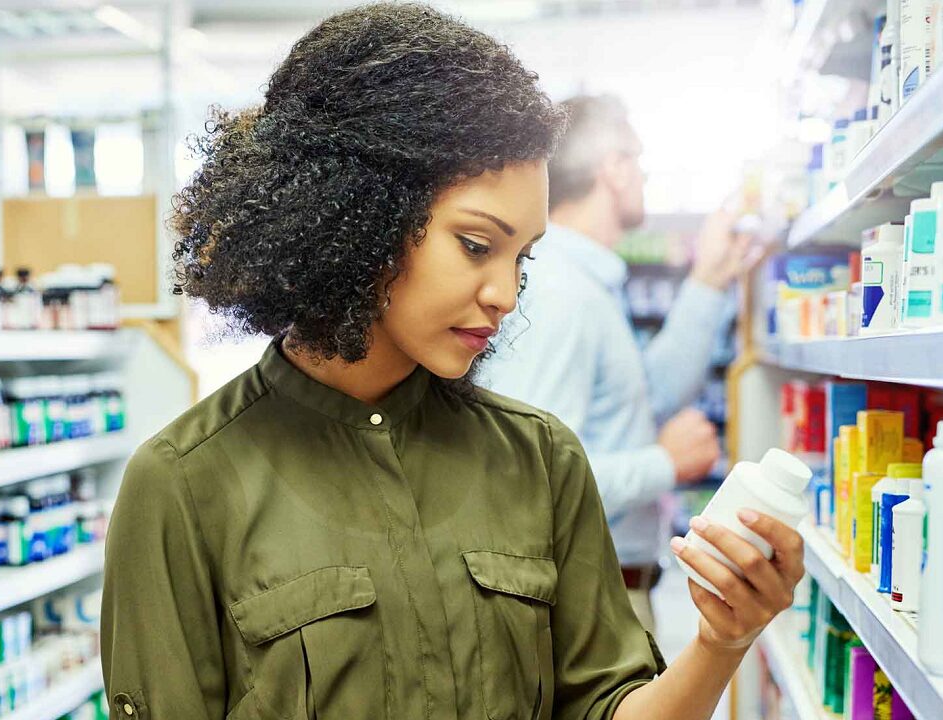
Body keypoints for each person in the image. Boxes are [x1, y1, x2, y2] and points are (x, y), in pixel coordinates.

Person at [100, 5, 802, 720]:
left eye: (522, 257)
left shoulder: (540, 459)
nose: (505, 294)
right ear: (360, 217)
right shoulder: (184, 487)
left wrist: (722, 640)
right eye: (475, 244)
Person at [477, 95, 752, 631]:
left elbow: (640, 398)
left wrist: (709, 281)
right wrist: (664, 465)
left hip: (602, 591)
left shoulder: (584, 283)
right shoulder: (561, 294)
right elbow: (528, 481)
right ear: (616, 169)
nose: (644, 177)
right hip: (586, 604)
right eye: (641, 163)